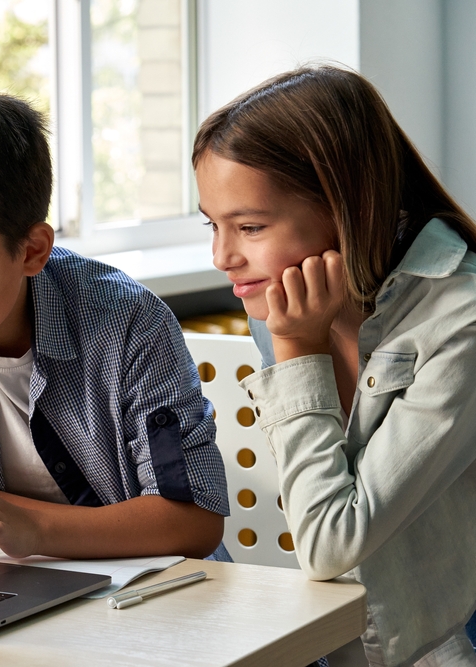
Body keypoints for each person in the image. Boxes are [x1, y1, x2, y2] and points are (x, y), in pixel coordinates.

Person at [0, 89, 228, 561]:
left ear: (32, 251)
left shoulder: (129, 320)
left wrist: (31, 526)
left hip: (153, 589)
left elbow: (193, 521)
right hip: (4, 583)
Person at [194, 65, 476, 667]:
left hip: (444, 644)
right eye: (211, 225)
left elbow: (331, 543)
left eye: (249, 227)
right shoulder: (287, 304)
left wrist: (298, 350)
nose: (222, 256)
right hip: (346, 641)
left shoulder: (461, 320)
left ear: (347, 206)